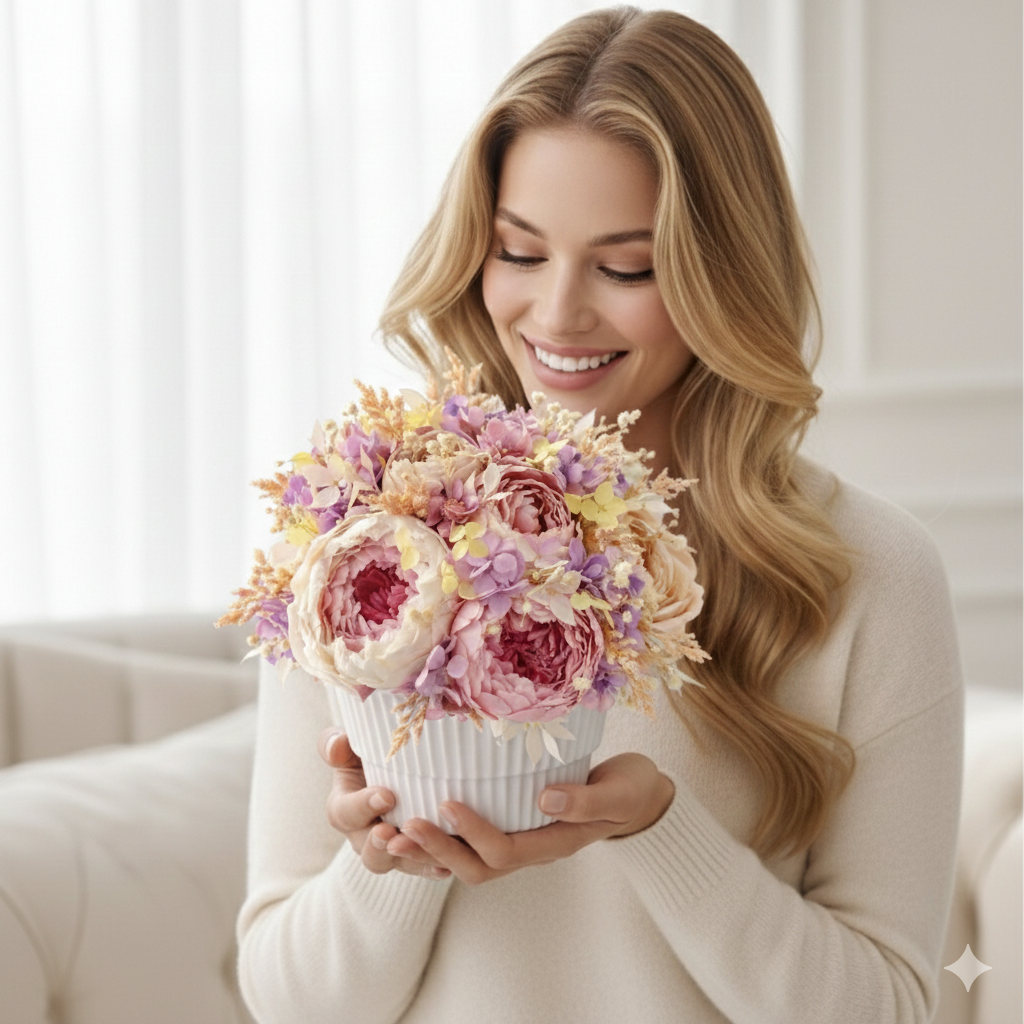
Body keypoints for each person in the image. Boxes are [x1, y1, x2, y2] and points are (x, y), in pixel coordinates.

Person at [236, 8, 963, 1023]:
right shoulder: (368, 547)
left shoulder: (867, 572)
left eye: (626, 266)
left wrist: (658, 828)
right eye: (518, 253)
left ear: (722, 276)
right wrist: (391, 857)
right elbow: (289, 999)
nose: (558, 312)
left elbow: (885, 1005)